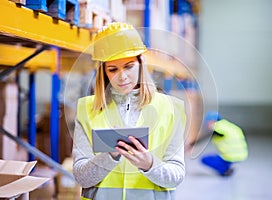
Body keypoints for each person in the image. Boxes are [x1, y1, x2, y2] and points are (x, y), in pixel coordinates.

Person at [72, 22, 187, 200]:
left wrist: (149, 164)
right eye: (113, 69)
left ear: (141, 63)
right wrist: (109, 156)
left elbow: (177, 175)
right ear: (103, 72)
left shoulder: (170, 110)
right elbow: (82, 177)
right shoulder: (87, 110)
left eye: (128, 66)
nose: (122, 76)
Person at [200, 111, 248, 176]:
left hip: (230, 156)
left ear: (211, 121)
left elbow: (207, 136)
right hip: (242, 154)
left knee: (205, 159)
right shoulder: (227, 125)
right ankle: (226, 168)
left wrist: (191, 145)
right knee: (218, 156)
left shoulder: (216, 127)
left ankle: (225, 170)